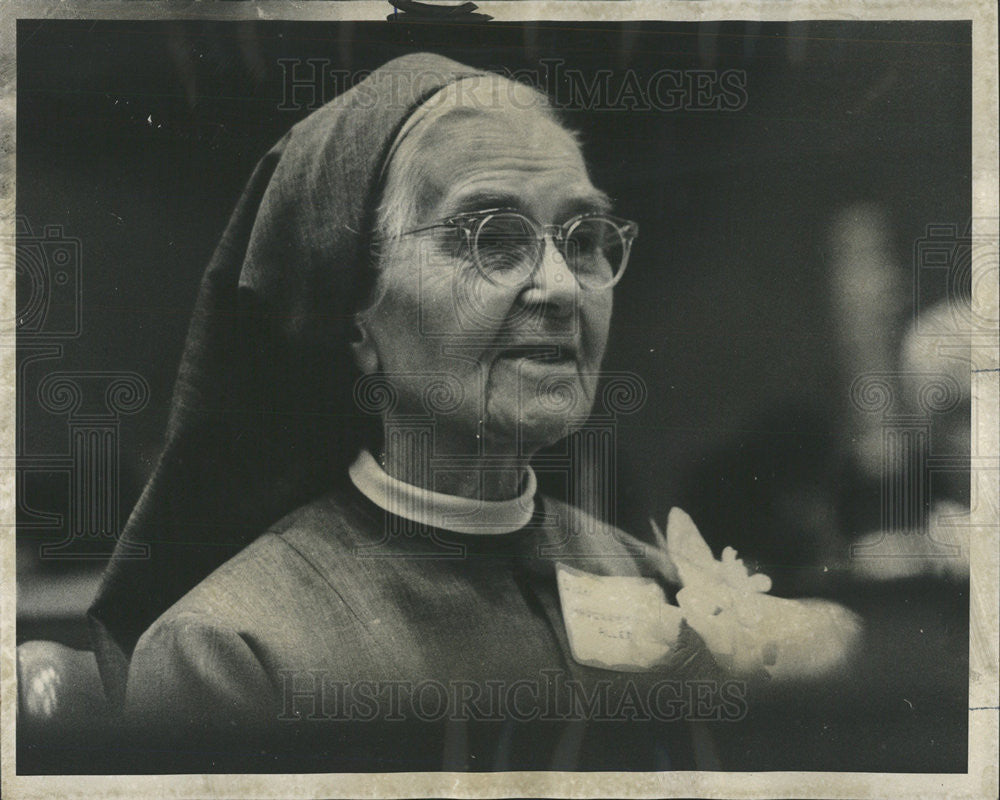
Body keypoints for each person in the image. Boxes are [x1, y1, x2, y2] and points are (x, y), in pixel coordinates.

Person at [86, 53, 711, 771]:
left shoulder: (652, 581)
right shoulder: (231, 653)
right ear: (355, 318)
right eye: (493, 239)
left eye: (584, 240)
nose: (563, 288)